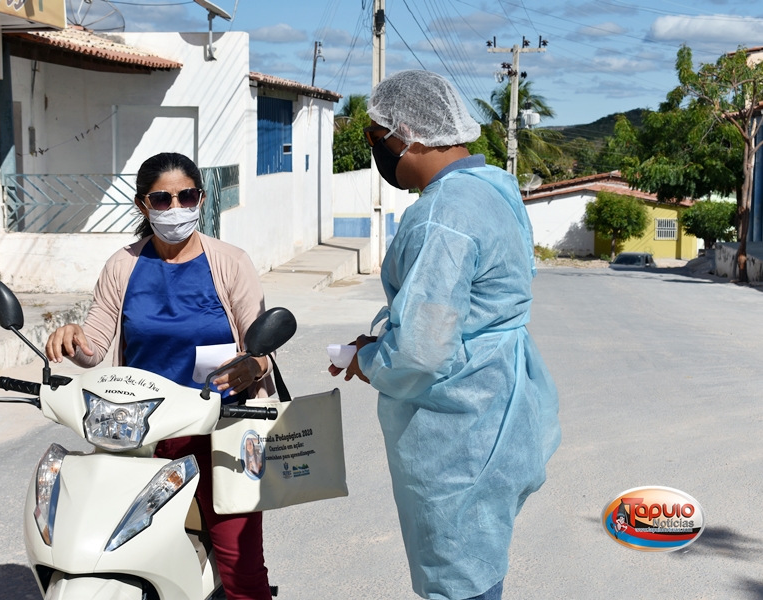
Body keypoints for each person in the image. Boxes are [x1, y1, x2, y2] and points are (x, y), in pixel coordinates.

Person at [329, 70, 561, 600]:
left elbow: (421, 349)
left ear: (406, 133)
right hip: (502, 403)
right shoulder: (494, 187)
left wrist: (369, 360)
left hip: (458, 430)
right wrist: (378, 345)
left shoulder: (441, 215)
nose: (375, 150)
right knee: (480, 564)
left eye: (375, 136)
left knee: (457, 579)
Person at [45, 152, 274, 600]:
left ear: (201, 198)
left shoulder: (230, 262)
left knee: (240, 564)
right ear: (142, 205)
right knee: (115, 547)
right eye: (162, 200)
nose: (176, 208)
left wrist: (252, 365)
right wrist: (73, 337)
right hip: (141, 433)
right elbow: (94, 346)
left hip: (221, 431)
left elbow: (262, 349)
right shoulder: (123, 265)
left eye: (186, 197)